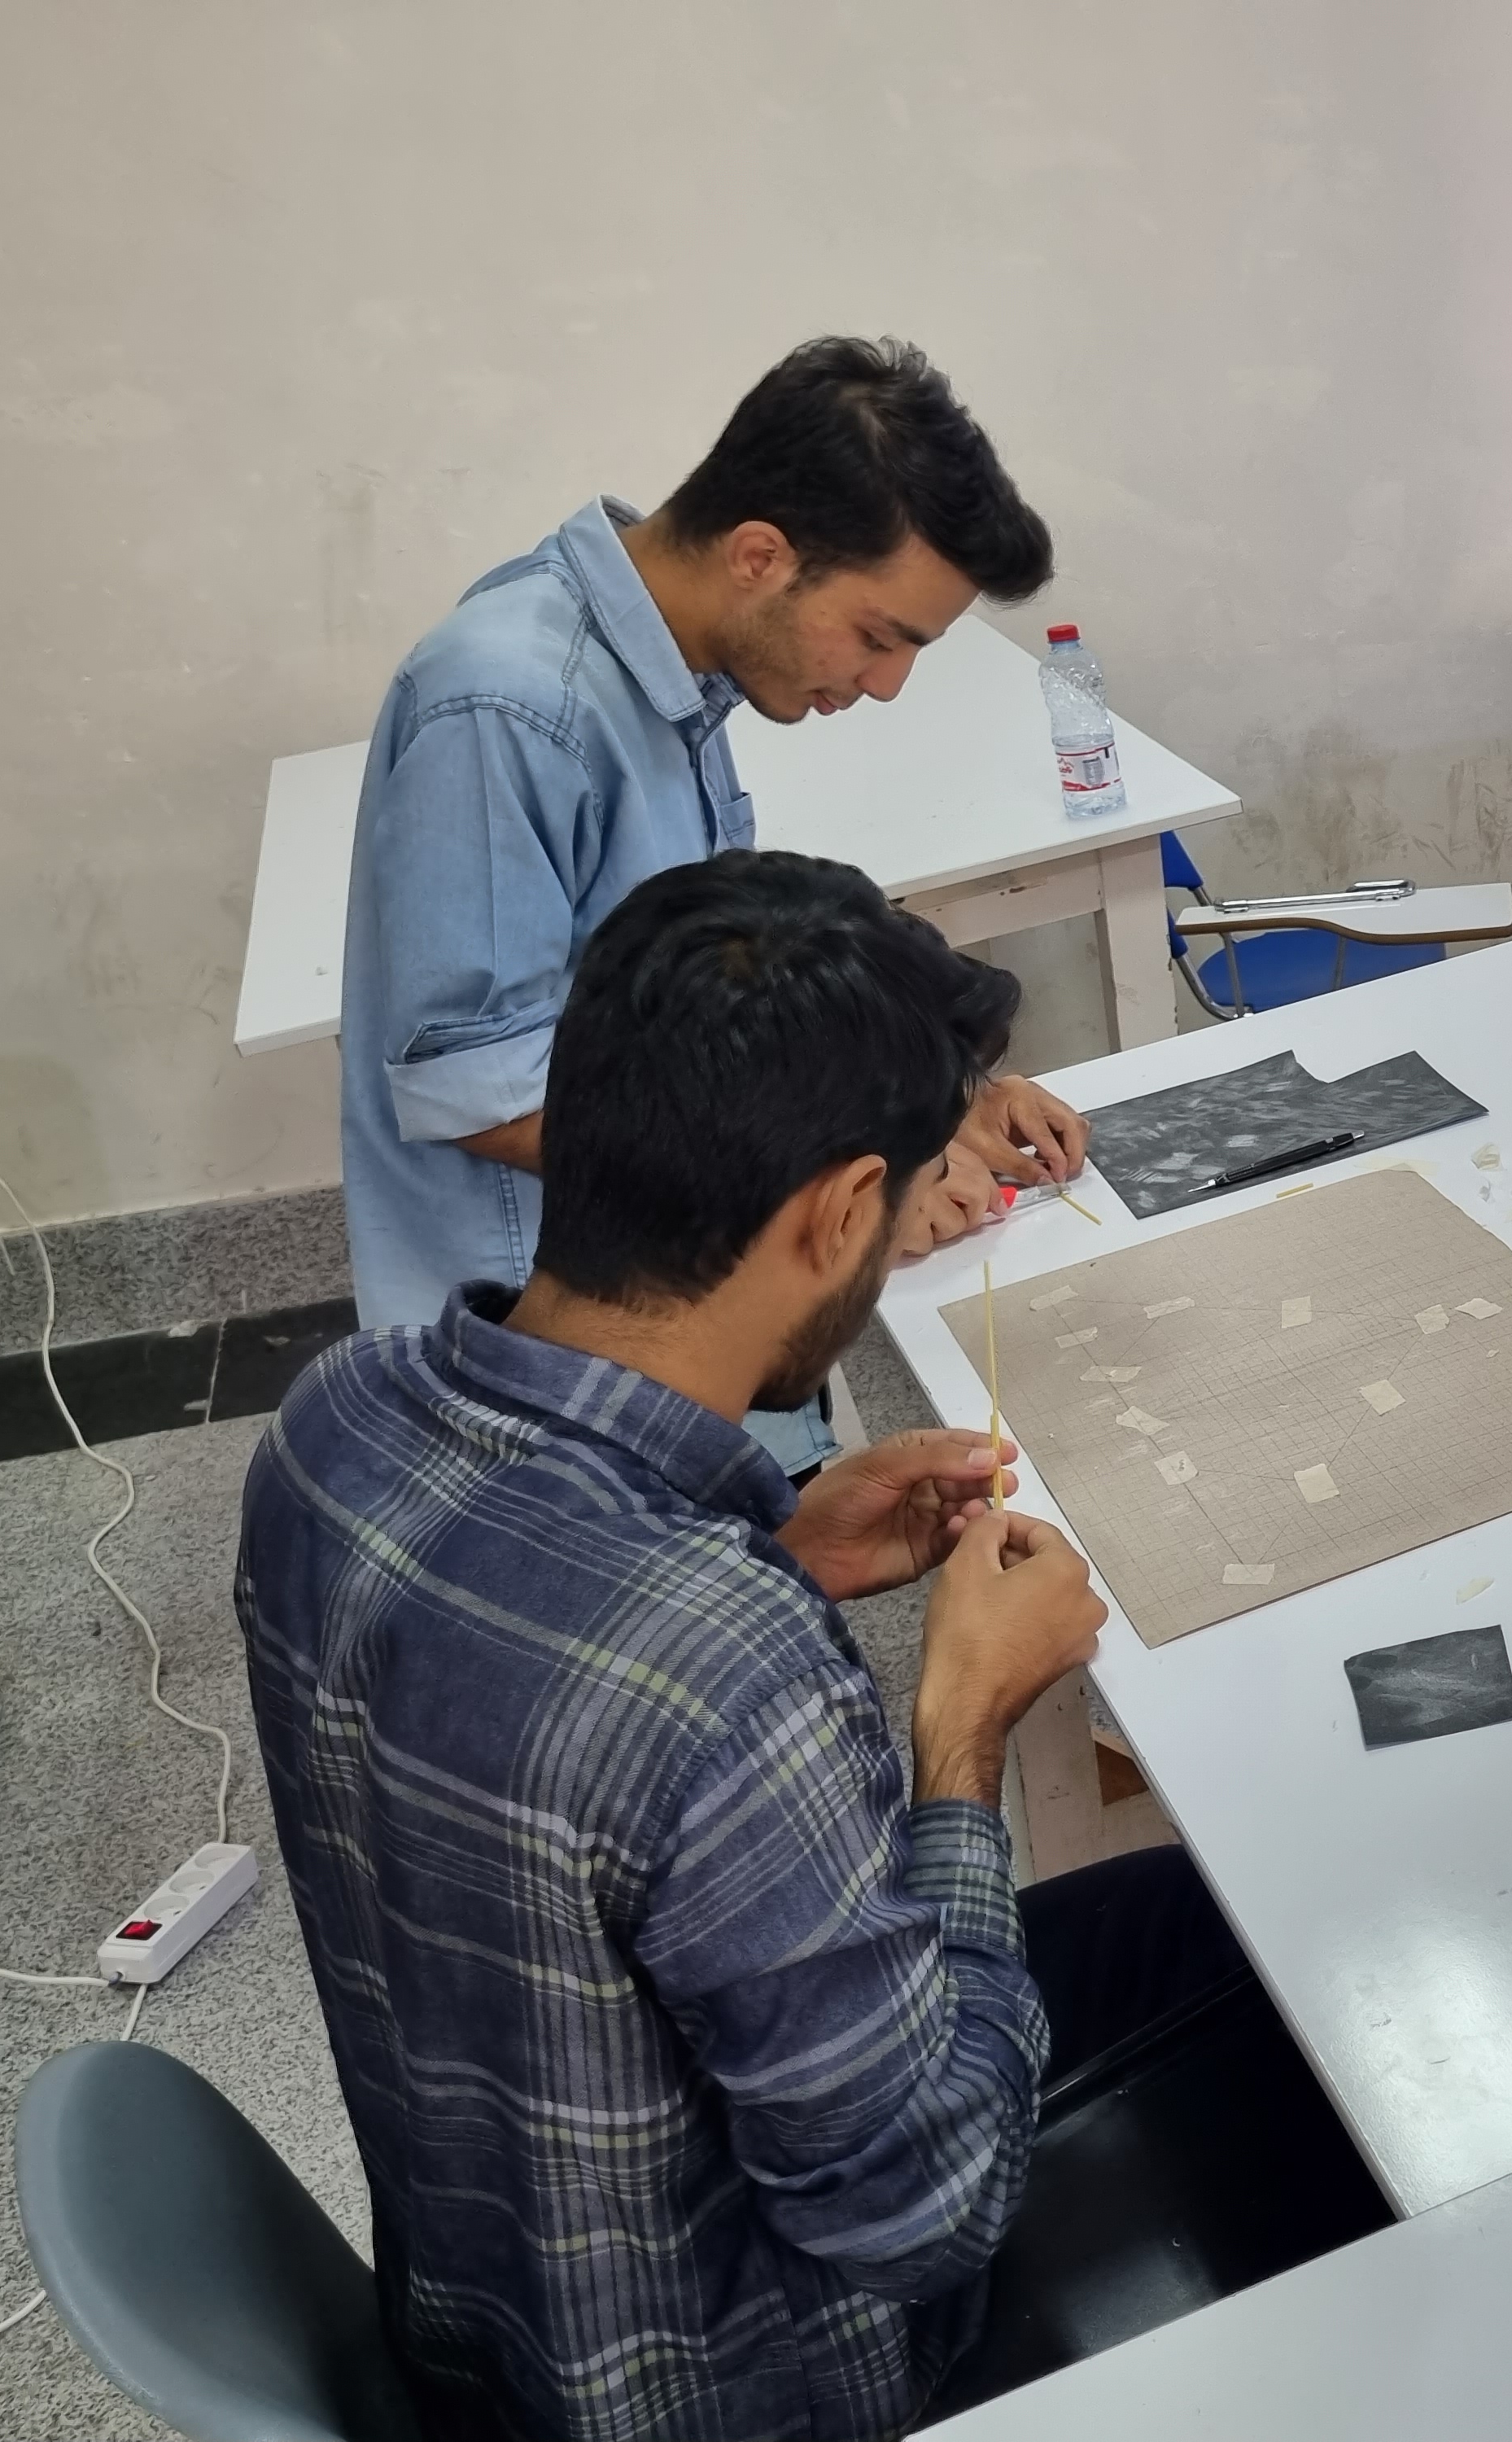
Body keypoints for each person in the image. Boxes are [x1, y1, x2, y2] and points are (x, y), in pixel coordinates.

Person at [241, 851, 1243, 2442]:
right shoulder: (725, 1674)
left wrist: (779, 1543)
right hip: (741, 2386)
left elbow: (546, 1723)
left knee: (1197, 1914)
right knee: (1299, 1989)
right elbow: (927, 2211)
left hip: (494, 2320)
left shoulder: (328, 1426)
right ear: (842, 1211)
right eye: (910, 1195)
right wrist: (964, 1731)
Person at [338, 336, 1090, 1473]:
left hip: (682, 1328)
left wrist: (926, 1109)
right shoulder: (511, 706)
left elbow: (712, 1022)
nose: (888, 684)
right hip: (554, 1390)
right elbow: (484, 1096)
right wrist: (861, 1184)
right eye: (879, 637)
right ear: (759, 556)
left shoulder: (673, 677)